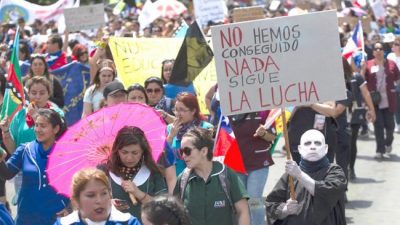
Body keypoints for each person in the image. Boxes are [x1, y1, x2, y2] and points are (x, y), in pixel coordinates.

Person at [0, 109, 70, 225]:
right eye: (36, 125)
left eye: (43, 126)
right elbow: (6, 174)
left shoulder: (67, 153)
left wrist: (70, 208)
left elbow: (77, 185)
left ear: (56, 129)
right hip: (26, 218)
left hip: (56, 220)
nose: (38, 130)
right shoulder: (25, 150)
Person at [266, 129, 347, 225]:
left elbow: (326, 192)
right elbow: (271, 204)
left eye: (317, 143)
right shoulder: (290, 175)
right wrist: (285, 209)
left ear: (325, 148)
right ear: (300, 149)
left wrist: (299, 175)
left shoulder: (335, 171)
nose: (312, 147)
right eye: (307, 143)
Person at [174, 127, 250, 225]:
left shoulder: (227, 175)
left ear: (204, 151)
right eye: (181, 152)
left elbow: (243, 211)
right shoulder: (183, 179)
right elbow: (174, 215)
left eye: (187, 151)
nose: (183, 156)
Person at [104, 126, 167, 220]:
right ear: (117, 151)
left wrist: (138, 193)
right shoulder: (105, 171)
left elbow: (164, 208)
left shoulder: (153, 172)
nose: (129, 158)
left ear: (143, 151)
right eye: (124, 152)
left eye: (135, 153)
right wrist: (108, 204)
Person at [229, 111, 276, 225]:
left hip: (258, 164)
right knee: (241, 202)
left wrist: (264, 133)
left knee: (254, 199)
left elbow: (272, 136)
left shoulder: (264, 111)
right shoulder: (229, 111)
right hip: (236, 163)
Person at [54, 168, 141, 225]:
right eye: (91, 195)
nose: (99, 200)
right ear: (76, 200)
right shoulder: (63, 223)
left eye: (104, 193)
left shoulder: (129, 222)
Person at [365, 41, 400, 159]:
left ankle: (388, 142)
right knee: (378, 126)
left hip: (389, 100)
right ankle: (380, 150)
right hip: (375, 102)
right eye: (376, 49)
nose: (378, 51)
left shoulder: (391, 64)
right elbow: (362, 80)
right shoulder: (368, 64)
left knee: (390, 126)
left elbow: (397, 78)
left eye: (381, 49)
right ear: (373, 52)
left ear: (384, 51)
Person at [166, 92, 213, 175]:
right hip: (177, 179)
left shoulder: (206, 128)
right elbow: (164, 155)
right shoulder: (170, 128)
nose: (177, 114)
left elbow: (210, 155)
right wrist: (171, 136)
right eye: (176, 109)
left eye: (182, 110)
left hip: (200, 177)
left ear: (193, 111)